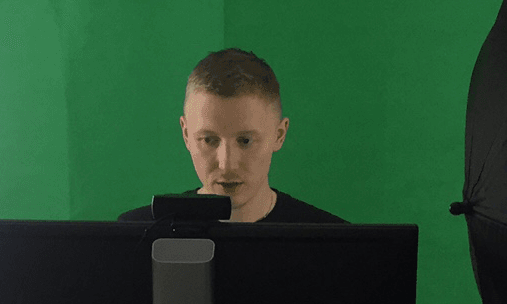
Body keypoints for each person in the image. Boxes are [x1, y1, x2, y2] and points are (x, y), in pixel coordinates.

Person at [119, 48, 344, 223]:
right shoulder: (135, 236)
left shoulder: (333, 244)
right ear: (186, 135)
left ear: (279, 135)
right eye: (209, 140)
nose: (227, 164)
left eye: (245, 141)